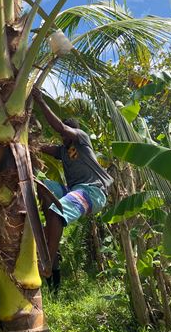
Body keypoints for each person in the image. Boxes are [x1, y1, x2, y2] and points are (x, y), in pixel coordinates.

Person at [32, 87, 113, 272]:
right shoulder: (62, 150)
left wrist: (41, 101)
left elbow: (60, 127)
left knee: (57, 211)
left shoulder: (82, 140)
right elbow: (42, 147)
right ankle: (49, 229)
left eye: (66, 134)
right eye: (62, 136)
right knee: (42, 186)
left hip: (94, 192)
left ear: (73, 132)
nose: (63, 136)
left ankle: (48, 263)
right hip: (73, 189)